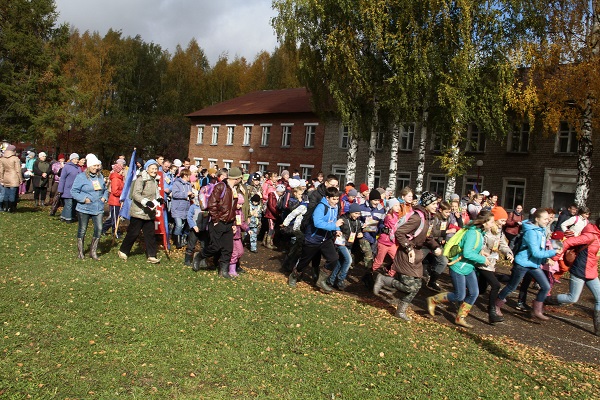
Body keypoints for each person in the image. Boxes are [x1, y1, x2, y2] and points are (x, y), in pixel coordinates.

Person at [372, 192, 441, 321]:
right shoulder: (417, 217)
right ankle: (383, 279)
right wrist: (408, 248)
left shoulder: (428, 218)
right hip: (406, 255)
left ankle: (401, 311)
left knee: (417, 285)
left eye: (436, 203)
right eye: (433, 203)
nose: (436, 206)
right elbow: (400, 233)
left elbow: (427, 237)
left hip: (416, 256)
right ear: (426, 204)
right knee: (410, 286)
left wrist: (435, 246)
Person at [427, 210, 495, 328]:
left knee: (474, 293)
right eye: (492, 222)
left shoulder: (480, 232)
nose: (493, 224)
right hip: (458, 267)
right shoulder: (473, 233)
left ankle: (460, 318)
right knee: (460, 296)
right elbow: (467, 253)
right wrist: (482, 260)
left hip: (468, 267)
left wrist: (481, 252)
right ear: (484, 222)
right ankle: (434, 300)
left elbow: (471, 248)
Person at [496, 208, 557, 321]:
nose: (547, 221)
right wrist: (554, 252)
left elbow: (540, 249)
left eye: (548, 219)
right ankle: (496, 304)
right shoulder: (531, 232)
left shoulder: (541, 230)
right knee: (512, 287)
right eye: (545, 219)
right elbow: (535, 252)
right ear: (537, 219)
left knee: (546, 286)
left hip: (534, 264)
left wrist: (546, 258)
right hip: (523, 263)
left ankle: (536, 310)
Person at [547, 218, 600, 336]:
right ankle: (544, 300)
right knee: (572, 298)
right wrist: (554, 257)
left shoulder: (598, 236)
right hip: (579, 270)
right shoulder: (590, 236)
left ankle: (598, 329)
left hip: (591, 271)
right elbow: (567, 242)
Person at [288, 186, 344, 293]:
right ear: (327, 198)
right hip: (313, 238)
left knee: (333, 259)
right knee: (304, 262)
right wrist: (334, 226)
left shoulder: (335, 207)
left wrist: (337, 229)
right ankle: (294, 275)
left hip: (326, 238)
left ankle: (321, 281)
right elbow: (317, 223)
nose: (336, 202)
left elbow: (334, 220)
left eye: (337, 199)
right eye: (334, 199)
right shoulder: (321, 207)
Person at [192, 167, 244, 278]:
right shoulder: (221, 187)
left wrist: (234, 223)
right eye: (241, 178)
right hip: (218, 222)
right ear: (237, 178)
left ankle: (223, 271)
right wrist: (215, 220)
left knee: (228, 249)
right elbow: (212, 204)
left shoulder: (234, 189)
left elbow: (233, 209)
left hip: (229, 223)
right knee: (215, 247)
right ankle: (199, 256)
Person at [118, 159, 164, 264]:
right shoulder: (141, 178)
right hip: (138, 211)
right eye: (152, 168)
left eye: (156, 168)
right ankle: (123, 251)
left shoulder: (155, 179)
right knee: (133, 233)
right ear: (147, 169)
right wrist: (146, 202)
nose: (154, 170)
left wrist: (159, 199)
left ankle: (152, 256)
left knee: (150, 235)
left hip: (149, 213)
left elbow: (155, 193)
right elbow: (136, 194)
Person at [477, 207, 514, 323]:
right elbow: (479, 244)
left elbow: (503, 244)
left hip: (491, 263)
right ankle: (492, 312)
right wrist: (481, 254)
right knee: (496, 285)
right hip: (482, 262)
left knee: (480, 290)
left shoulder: (500, 231)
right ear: (495, 219)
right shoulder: (486, 229)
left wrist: (508, 253)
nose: (504, 223)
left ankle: (461, 299)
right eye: (502, 220)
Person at [70, 154, 108, 260]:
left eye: (97, 166)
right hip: (84, 207)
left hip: (98, 207)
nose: (96, 168)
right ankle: (80, 252)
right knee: (82, 229)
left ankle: (93, 252)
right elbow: (74, 191)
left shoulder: (100, 176)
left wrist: (104, 197)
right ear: (89, 166)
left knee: (99, 228)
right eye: (94, 166)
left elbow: (105, 189)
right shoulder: (81, 177)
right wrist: (83, 199)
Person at [328, 202, 363, 290]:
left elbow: (358, 231)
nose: (357, 215)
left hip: (349, 244)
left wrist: (360, 233)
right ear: (351, 212)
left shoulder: (357, 222)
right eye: (356, 213)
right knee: (349, 260)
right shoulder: (343, 219)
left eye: (359, 214)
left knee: (341, 262)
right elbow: (336, 228)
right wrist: (337, 232)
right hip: (341, 243)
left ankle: (331, 279)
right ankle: (340, 280)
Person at [171, 168, 193, 249]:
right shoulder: (176, 183)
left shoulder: (189, 184)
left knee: (183, 225)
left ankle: (179, 238)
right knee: (179, 225)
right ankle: (177, 242)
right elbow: (175, 194)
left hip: (185, 208)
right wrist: (186, 194)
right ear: (185, 175)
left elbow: (189, 195)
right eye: (189, 175)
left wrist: (191, 195)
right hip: (177, 208)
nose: (190, 177)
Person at [101, 163, 125, 238]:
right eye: (122, 170)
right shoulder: (115, 179)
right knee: (114, 218)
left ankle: (103, 229)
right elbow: (115, 191)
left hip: (118, 201)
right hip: (114, 201)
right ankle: (115, 232)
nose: (123, 171)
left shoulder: (120, 178)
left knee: (113, 217)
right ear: (118, 170)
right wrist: (123, 193)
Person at [57, 153, 81, 223]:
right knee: (68, 204)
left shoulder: (78, 168)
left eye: (78, 159)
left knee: (73, 204)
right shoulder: (66, 167)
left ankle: (64, 216)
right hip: (67, 189)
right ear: (72, 159)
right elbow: (62, 179)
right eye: (76, 159)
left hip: (76, 189)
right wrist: (60, 189)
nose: (77, 160)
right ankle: (68, 218)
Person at [0, 144, 23, 212]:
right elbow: (18, 170)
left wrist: (1, 178)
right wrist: (20, 179)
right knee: (12, 193)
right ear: (13, 151)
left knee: (6, 193)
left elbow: (1, 170)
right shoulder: (15, 159)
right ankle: (11, 208)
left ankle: (6, 207)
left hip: (5, 176)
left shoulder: (2, 159)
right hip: (14, 177)